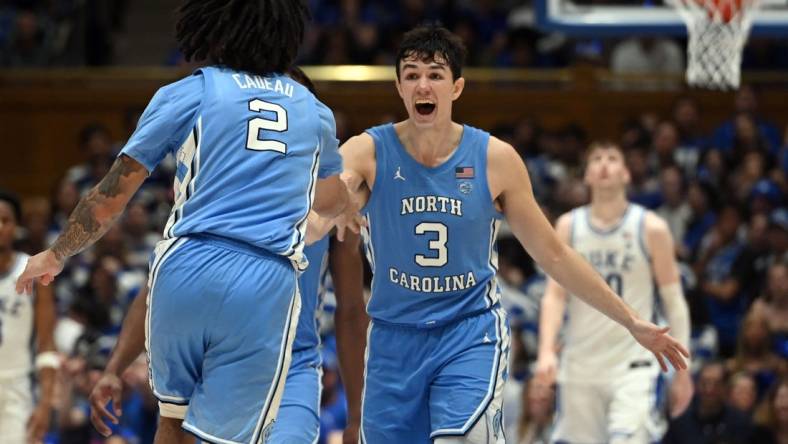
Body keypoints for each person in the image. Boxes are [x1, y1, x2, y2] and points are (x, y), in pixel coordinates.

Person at [16, 1, 351, 442]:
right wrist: (349, 203)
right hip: (263, 278)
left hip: (186, 266)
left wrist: (56, 254)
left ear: (215, 33)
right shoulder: (314, 111)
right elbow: (330, 196)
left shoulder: (190, 91)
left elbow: (110, 195)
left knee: (172, 423)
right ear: (288, 37)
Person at [336, 25, 688, 443]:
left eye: (434, 74)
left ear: (457, 87)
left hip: (467, 331)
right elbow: (324, 203)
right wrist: (331, 205)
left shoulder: (495, 159)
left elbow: (554, 255)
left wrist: (631, 321)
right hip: (394, 337)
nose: (422, 84)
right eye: (411, 75)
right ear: (398, 86)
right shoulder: (368, 150)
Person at [535, 142, 694, 444]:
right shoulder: (569, 225)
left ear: (626, 174)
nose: (604, 164)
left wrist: (684, 372)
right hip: (579, 366)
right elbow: (554, 296)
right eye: (596, 159)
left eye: (612, 159)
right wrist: (545, 351)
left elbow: (674, 302)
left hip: (633, 367)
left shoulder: (651, 228)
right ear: (587, 176)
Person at [0, 190, 58, 443]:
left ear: (16, 226)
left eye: (5, 220)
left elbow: (47, 344)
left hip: (16, 389)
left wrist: (45, 404)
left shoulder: (32, 272)